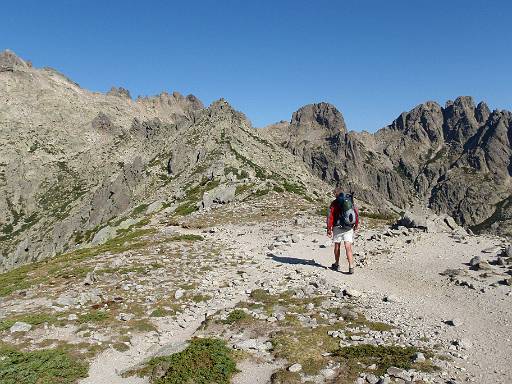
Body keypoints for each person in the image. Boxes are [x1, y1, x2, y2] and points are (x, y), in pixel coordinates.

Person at [326, 187, 359, 274]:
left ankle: (336, 264)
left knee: (337, 245)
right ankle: (351, 266)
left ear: (336, 194)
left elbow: (330, 216)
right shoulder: (349, 200)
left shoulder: (334, 203)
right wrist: (356, 225)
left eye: (334, 193)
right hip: (349, 227)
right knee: (348, 246)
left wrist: (329, 229)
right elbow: (356, 212)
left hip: (337, 227)